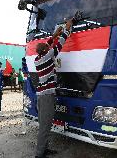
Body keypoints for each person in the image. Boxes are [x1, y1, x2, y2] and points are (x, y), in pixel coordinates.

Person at [34, 19, 73, 158]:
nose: (49, 48)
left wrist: (54, 35)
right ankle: (39, 154)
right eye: (47, 48)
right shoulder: (49, 55)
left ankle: (44, 149)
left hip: (41, 95)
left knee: (45, 124)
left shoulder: (38, 59)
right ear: (45, 51)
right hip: (46, 96)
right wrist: (67, 29)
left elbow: (47, 45)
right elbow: (60, 44)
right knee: (45, 126)